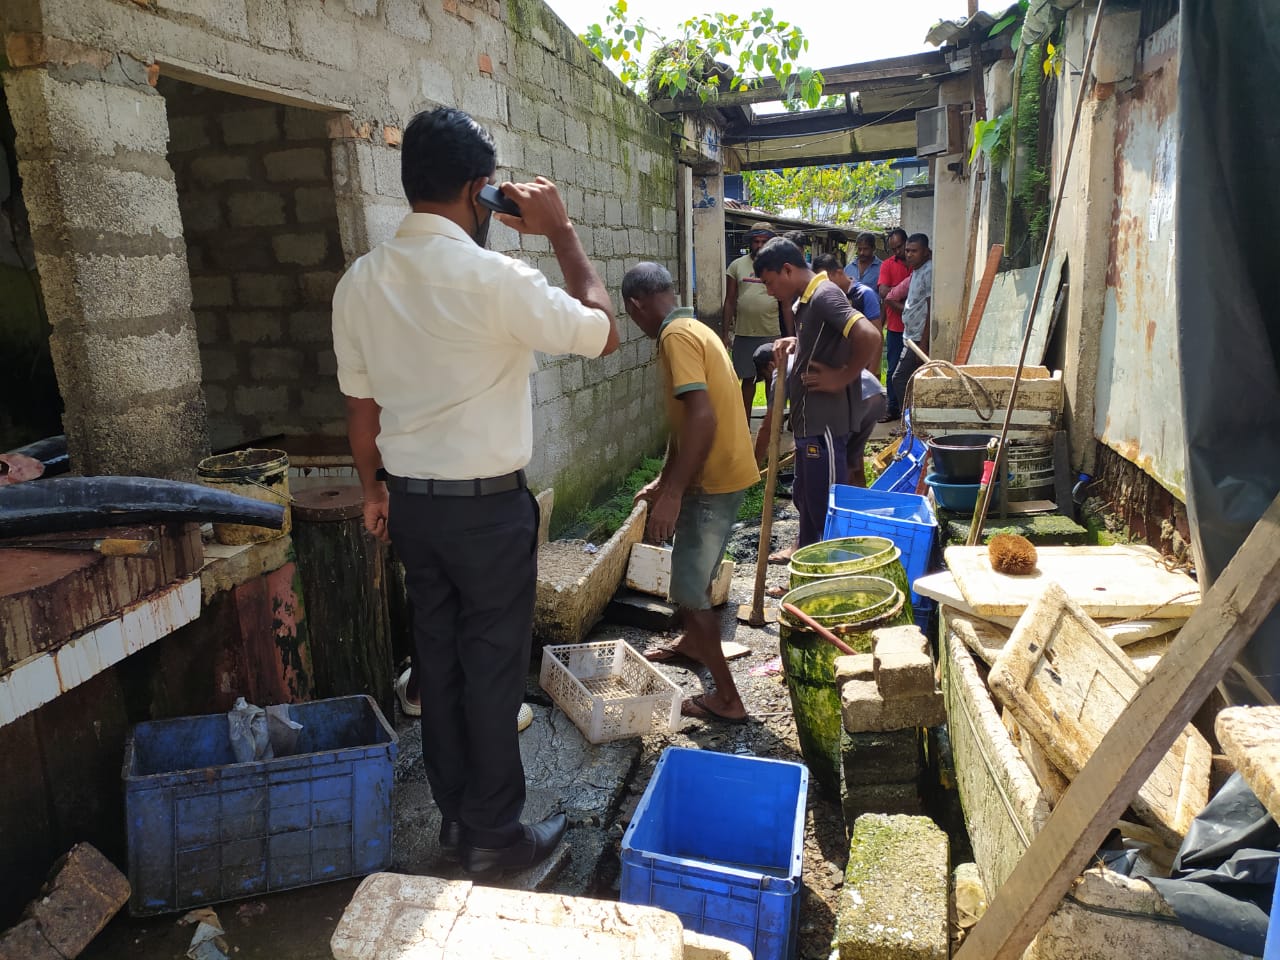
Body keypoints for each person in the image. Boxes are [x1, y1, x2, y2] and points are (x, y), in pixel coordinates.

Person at [331, 106, 619, 877]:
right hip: (487, 511)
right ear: (479, 190)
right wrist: (560, 234)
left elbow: (362, 412)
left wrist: (373, 491)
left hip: (412, 508)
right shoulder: (498, 278)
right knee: (490, 672)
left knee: (440, 663)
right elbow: (604, 330)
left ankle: (460, 821)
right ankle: (494, 833)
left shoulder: (359, 283)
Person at [623, 262, 757, 724]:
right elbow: (685, 424)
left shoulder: (674, 338)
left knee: (687, 585)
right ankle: (693, 644)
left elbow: (702, 420)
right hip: (723, 471)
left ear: (635, 305)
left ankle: (727, 699)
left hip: (711, 479)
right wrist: (664, 481)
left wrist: (675, 493)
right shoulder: (693, 327)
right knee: (693, 573)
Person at [753, 239, 882, 559]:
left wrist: (841, 377)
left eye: (769, 282)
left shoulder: (824, 296)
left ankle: (823, 570)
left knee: (823, 503)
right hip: (808, 422)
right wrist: (795, 341)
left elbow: (870, 335)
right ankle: (803, 555)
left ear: (787, 269)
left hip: (825, 423)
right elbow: (825, 340)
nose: (769, 291)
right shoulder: (806, 302)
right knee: (805, 496)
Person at [724, 222, 794, 419]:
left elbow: (786, 304)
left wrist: (790, 335)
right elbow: (729, 300)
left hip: (771, 332)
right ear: (750, 243)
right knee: (747, 380)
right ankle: (744, 427)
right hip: (744, 333)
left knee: (773, 379)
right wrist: (725, 334)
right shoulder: (737, 265)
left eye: (764, 241)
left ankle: (773, 424)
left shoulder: (780, 267)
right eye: (756, 241)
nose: (760, 245)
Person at [889, 233, 934, 418]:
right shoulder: (916, 270)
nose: (908, 254)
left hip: (917, 338)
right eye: (907, 250)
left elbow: (932, 308)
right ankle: (912, 422)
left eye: (914, 251)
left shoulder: (929, 271)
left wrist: (924, 343)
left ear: (925, 252)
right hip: (909, 336)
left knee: (899, 378)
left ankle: (909, 423)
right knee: (909, 380)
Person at [877, 228, 911, 421]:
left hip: (916, 328)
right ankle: (892, 408)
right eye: (894, 248)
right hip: (896, 327)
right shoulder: (888, 265)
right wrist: (906, 303)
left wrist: (895, 295)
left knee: (913, 370)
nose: (898, 251)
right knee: (893, 369)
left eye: (900, 246)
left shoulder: (918, 264)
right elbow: (883, 292)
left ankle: (910, 410)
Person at [812, 252, 882, 336]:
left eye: (826, 280)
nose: (823, 285)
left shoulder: (865, 294)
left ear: (839, 272)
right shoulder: (826, 296)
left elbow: (877, 334)